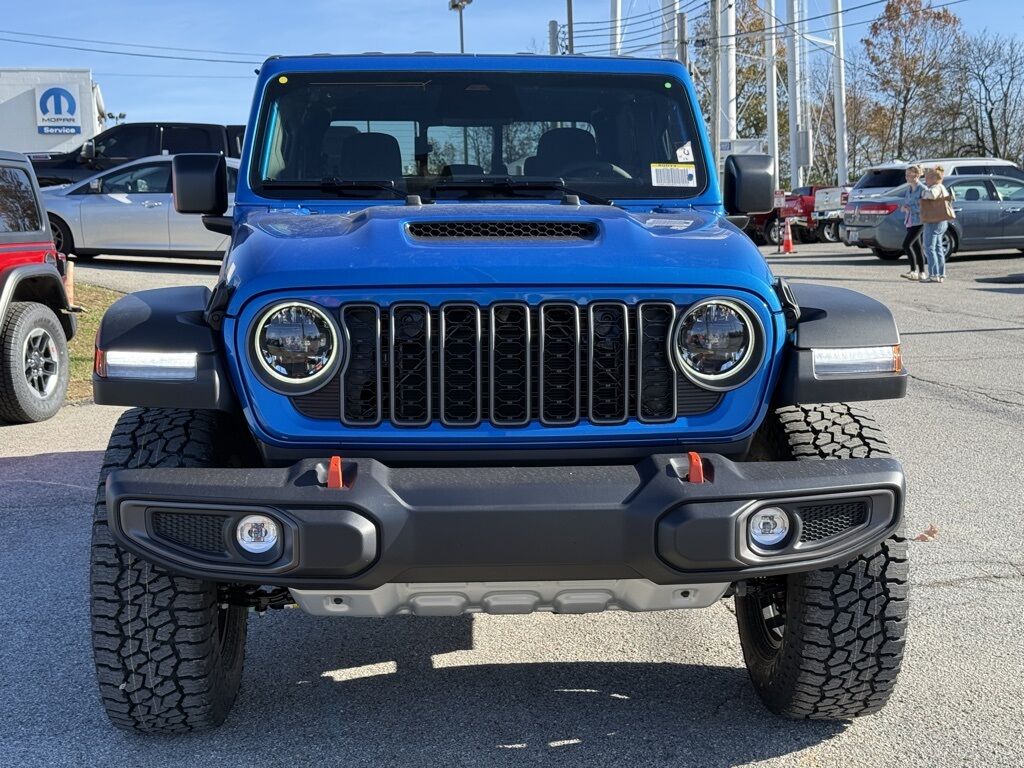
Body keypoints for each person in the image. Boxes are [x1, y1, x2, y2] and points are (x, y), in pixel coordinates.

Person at [920, 166, 954, 283]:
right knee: (938, 248)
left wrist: (923, 192)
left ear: (934, 178)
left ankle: (934, 274)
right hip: (942, 221)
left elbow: (932, 195)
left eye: (927, 178)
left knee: (929, 248)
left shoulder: (936, 187)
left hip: (933, 221)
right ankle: (941, 274)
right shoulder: (943, 187)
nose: (925, 180)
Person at [899, 165, 926, 280]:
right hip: (910, 221)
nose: (906, 177)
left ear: (916, 175)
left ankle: (913, 271)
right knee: (917, 246)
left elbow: (925, 207)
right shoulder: (909, 189)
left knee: (906, 244)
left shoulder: (922, 189)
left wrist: (911, 208)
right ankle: (922, 273)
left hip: (920, 221)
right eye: (906, 175)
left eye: (909, 174)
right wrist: (904, 208)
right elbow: (906, 203)